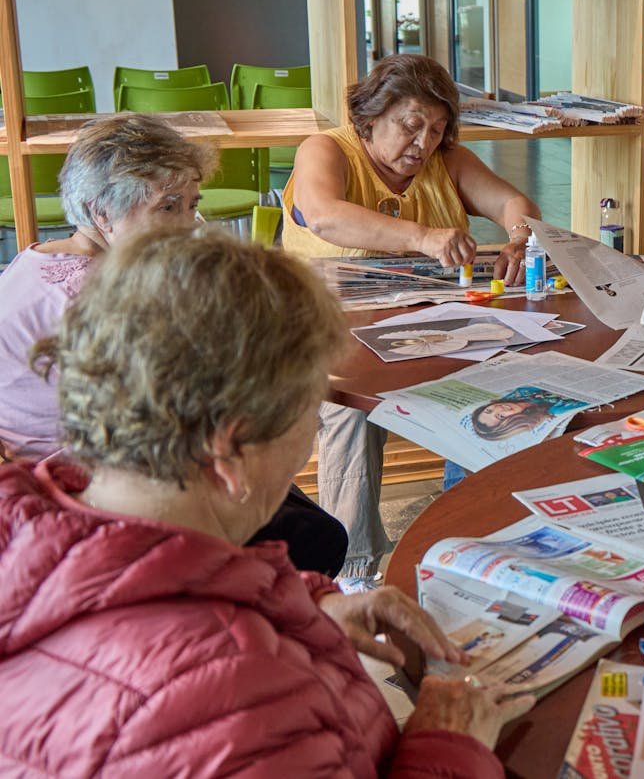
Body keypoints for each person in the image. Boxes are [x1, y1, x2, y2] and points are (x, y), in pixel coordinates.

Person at [0, 229, 533, 775]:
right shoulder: (237, 702)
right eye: (309, 414)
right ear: (231, 451)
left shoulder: (31, 529)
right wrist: (446, 745)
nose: (310, 440)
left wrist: (301, 607)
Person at [0, 113, 347, 575]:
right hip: (86, 485)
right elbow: (174, 410)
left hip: (68, 471)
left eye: (191, 204)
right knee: (313, 535)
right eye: (169, 207)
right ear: (100, 212)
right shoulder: (93, 294)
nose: (190, 224)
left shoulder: (40, 258)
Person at [283, 54, 544, 588]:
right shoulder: (328, 149)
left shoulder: (446, 161)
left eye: (437, 129)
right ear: (370, 117)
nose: (423, 144)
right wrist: (423, 237)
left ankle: (469, 530)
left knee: (505, 373)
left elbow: (514, 202)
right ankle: (350, 567)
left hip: (429, 324)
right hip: (330, 328)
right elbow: (324, 213)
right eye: (410, 126)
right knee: (352, 404)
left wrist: (520, 237)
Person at [469, 387, 588, 441]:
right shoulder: (555, 410)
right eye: (500, 416)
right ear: (513, 422)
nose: (499, 408)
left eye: (489, 410)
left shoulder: (515, 396)